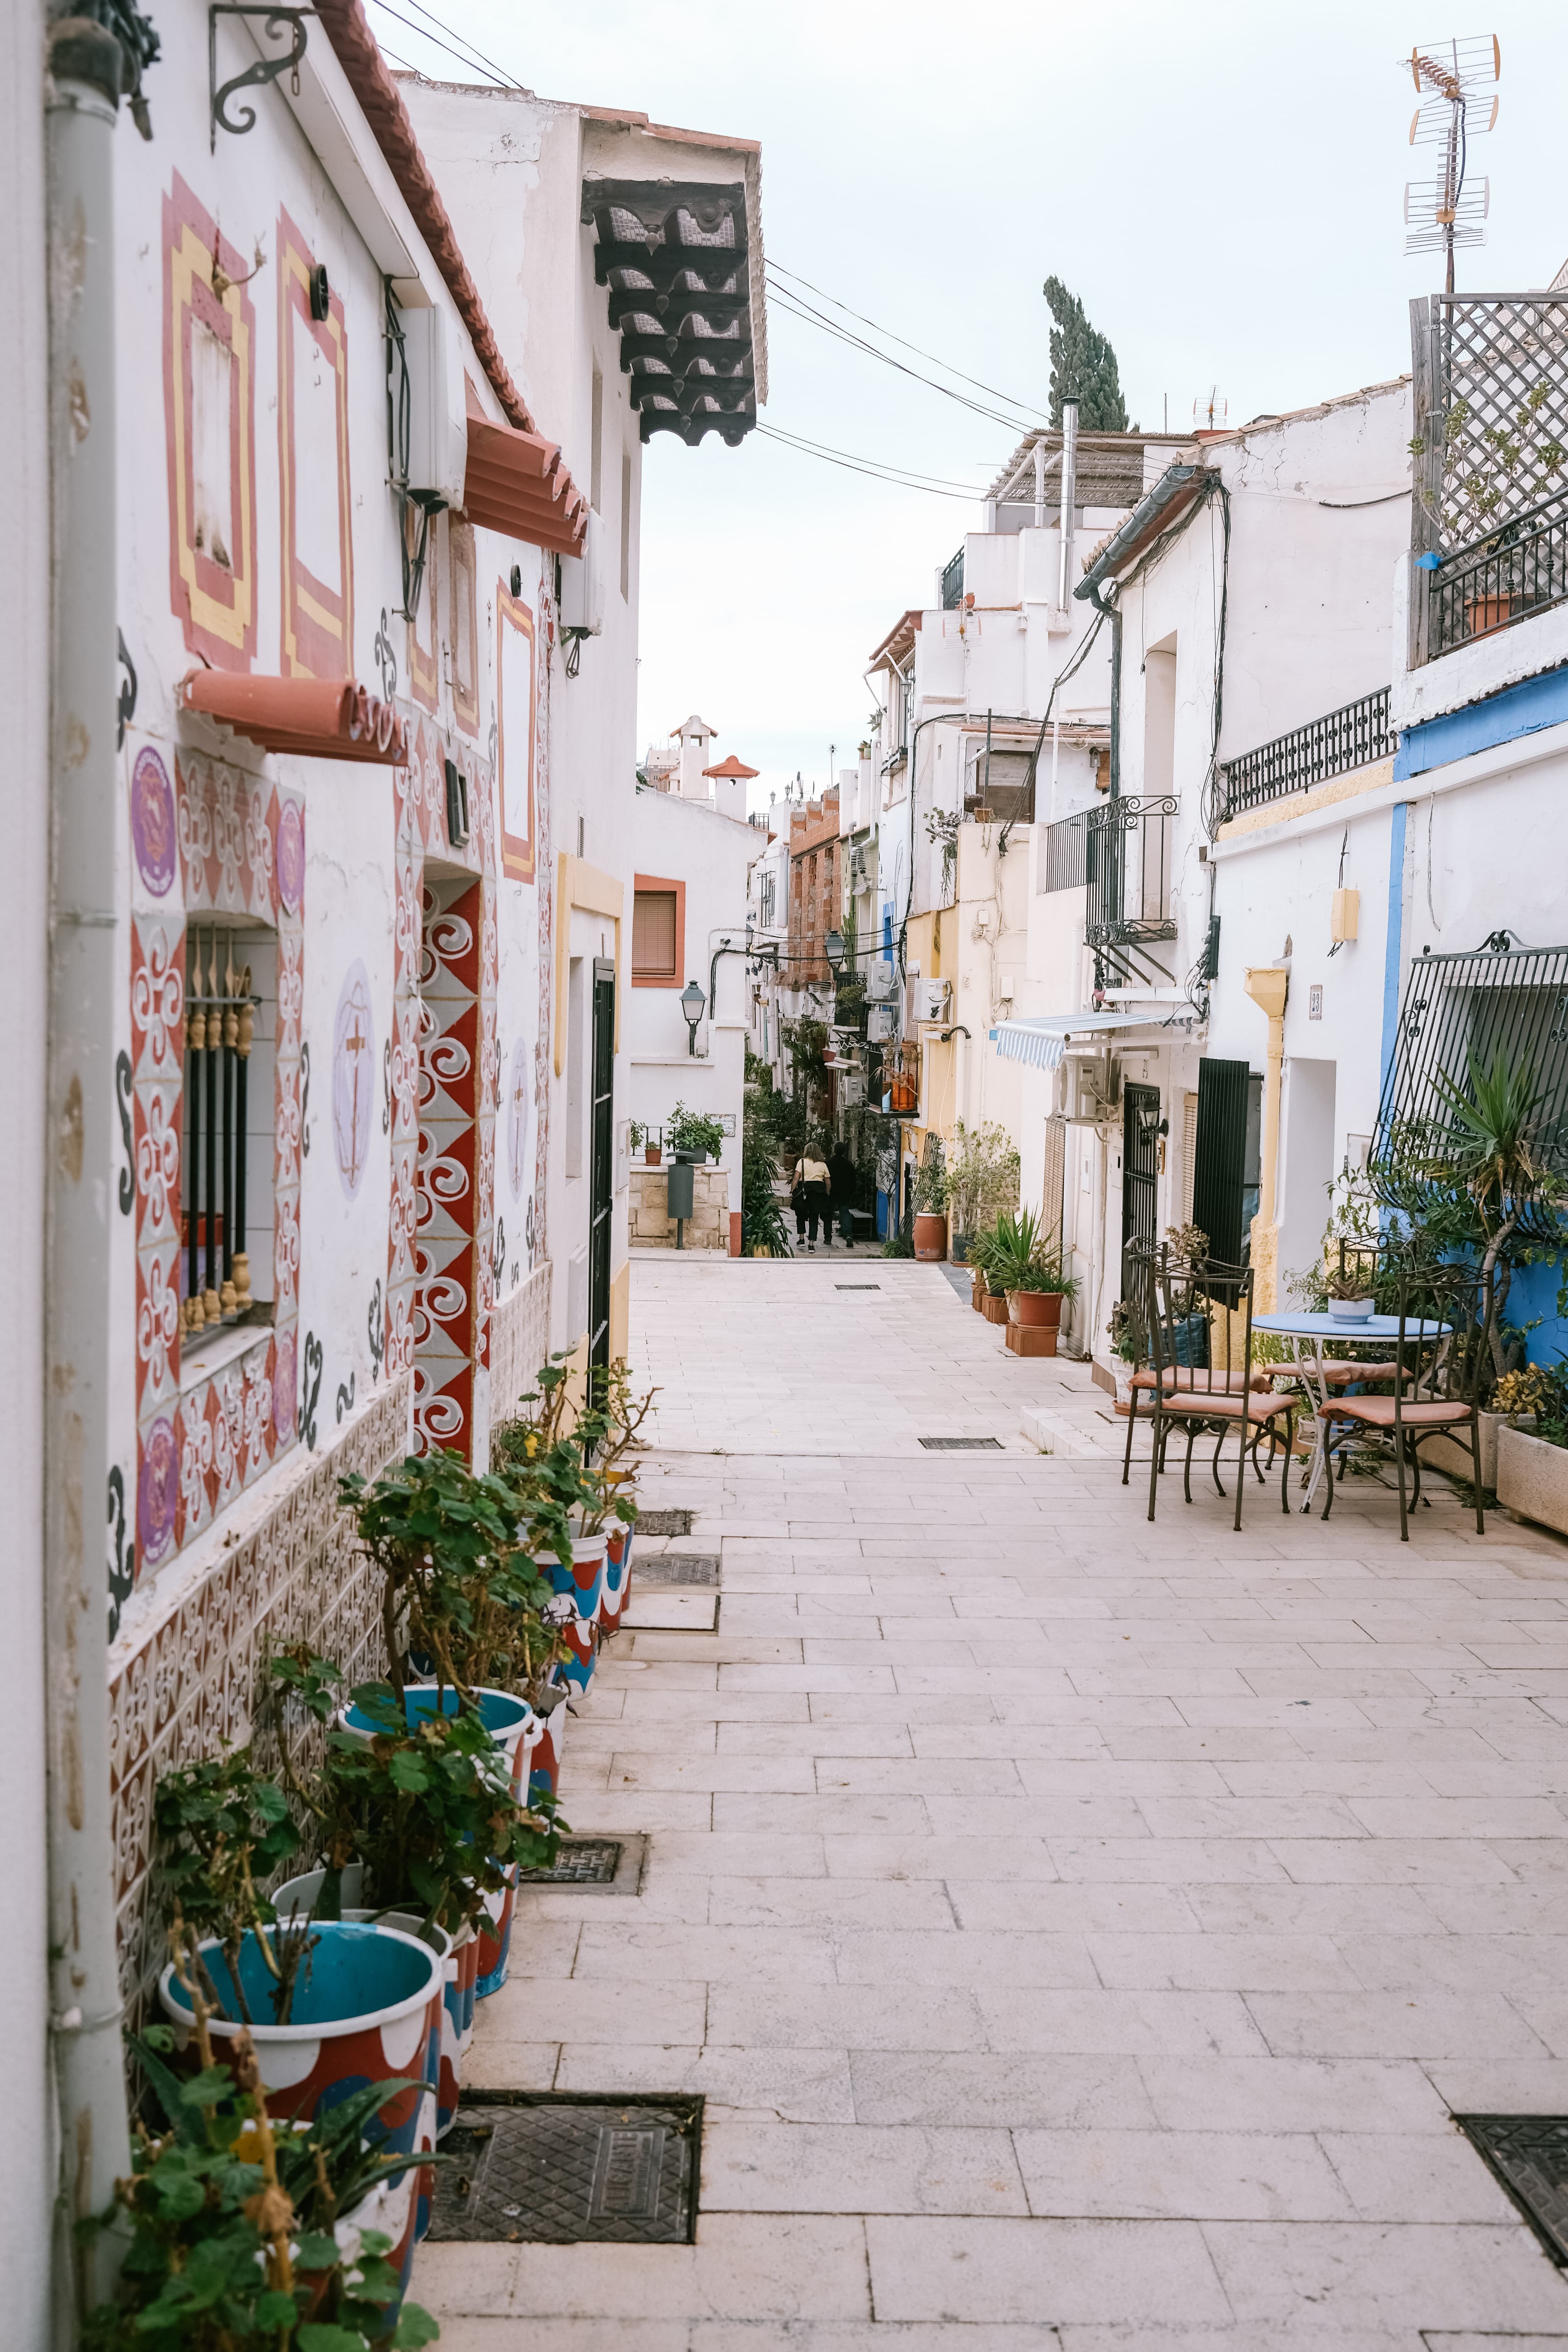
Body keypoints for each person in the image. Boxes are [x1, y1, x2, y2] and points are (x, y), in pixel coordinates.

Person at [800, 1147, 831, 1250]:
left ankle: (801, 1239)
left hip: (805, 1191)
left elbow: (796, 1177)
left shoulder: (802, 1162)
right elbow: (828, 1182)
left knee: (801, 1214)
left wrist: (792, 1191)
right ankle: (811, 1245)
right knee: (814, 1218)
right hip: (818, 1193)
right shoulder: (823, 1165)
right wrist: (827, 1193)